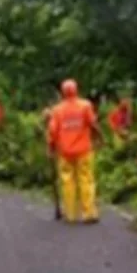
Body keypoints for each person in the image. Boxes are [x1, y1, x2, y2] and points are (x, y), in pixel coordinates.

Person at [47, 79, 103, 224]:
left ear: (62, 92)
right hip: (84, 150)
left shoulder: (57, 110)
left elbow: (52, 131)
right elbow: (93, 124)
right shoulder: (85, 105)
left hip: (65, 152)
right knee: (86, 180)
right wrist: (100, 138)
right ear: (76, 90)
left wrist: (51, 147)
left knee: (67, 182)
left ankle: (70, 215)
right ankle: (89, 213)